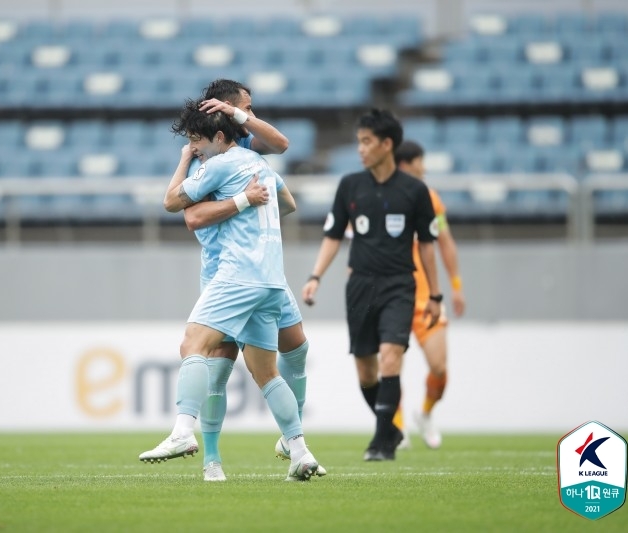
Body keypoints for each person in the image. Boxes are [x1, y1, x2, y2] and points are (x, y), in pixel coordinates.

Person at [139, 98, 321, 481]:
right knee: (267, 373)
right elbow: (286, 203)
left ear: (217, 136)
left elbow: (175, 205)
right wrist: (248, 206)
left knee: (194, 346)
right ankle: (299, 452)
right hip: (272, 278)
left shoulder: (220, 164)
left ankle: (182, 433)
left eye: (197, 143)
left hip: (237, 274)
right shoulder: (261, 164)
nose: (194, 149)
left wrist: (197, 172)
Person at [301, 108, 441, 462]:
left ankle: (380, 442)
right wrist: (315, 276)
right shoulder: (350, 185)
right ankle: (390, 428)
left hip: (399, 285)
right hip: (360, 285)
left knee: (391, 356)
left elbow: (427, 245)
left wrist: (436, 294)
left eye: (367, 142)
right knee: (366, 368)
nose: (360, 149)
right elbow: (333, 236)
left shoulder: (415, 191)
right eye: (359, 141)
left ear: (387, 144)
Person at [392, 140, 466, 450]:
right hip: (392, 292)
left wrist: (456, 285)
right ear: (407, 164)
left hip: (425, 297)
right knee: (390, 366)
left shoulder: (430, 199)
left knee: (439, 367)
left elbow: (445, 242)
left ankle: (425, 414)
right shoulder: (379, 194)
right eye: (421, 162)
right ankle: (397, 429)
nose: (424, 168)